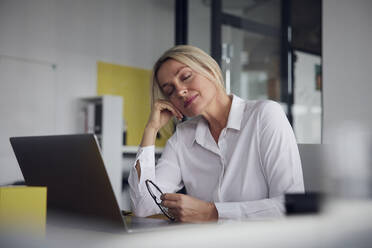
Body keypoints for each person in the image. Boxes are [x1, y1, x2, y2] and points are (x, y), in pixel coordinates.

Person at [128, 45, 304, 222]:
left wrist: (212, 212)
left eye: (186, 76)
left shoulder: (264, 115)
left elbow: (290, 207)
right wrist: (151, 129)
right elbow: (144, 208)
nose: (180, 91)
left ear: (209, 69)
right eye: (169, 91)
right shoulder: (182, 137)